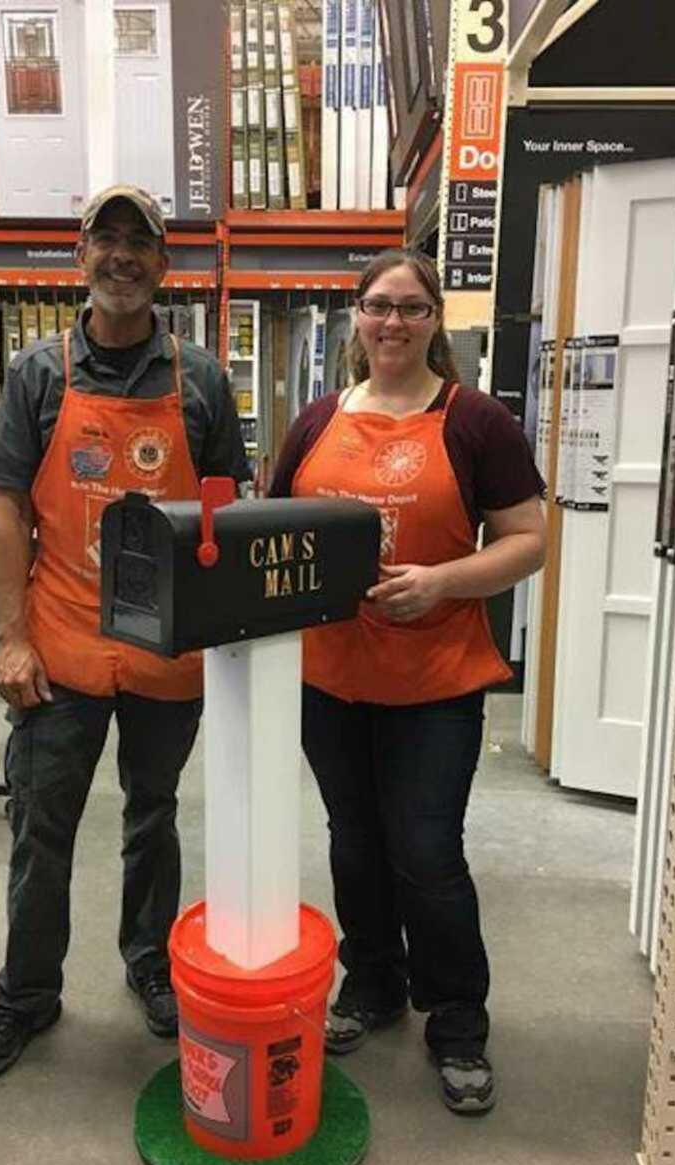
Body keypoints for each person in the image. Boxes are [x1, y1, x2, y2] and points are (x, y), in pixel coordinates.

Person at [0, 185, 251, 1080]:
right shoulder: (39, 375)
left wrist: (230, 636)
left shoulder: (199, 378)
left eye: (141, 243)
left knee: (151, 818)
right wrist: (10, 639)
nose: (122, 256)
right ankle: (26, 994)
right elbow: (7, 513)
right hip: (62, 648)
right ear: (80, 256)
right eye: (106, 239)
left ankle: (151, 966)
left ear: (164, 266)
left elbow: (225, 512)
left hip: (167, 655)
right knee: (40, 825)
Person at [270, 249, 545, 1114]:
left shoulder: (477, 423)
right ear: (357, 315)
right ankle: (376, 983)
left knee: (425, 852)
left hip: (435, 680)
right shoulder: (315, 421)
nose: (393, 323)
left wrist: (442, 580)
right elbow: (274, 526)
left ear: (435, 321)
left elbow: (528, 539)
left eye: (412, 308)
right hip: (331, 679)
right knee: (354, 840)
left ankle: (457, 1020)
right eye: (379, 306)